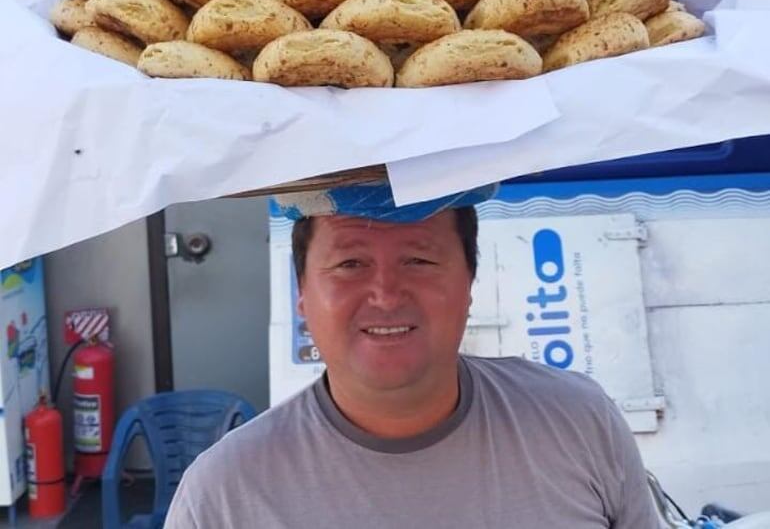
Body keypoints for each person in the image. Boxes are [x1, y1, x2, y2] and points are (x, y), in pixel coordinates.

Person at [165, 184, 659, 528]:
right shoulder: (224, 493)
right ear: (302, 293)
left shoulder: (577, 421)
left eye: (419, 260)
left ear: (469, 284)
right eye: (350, 263)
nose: (385, 294)